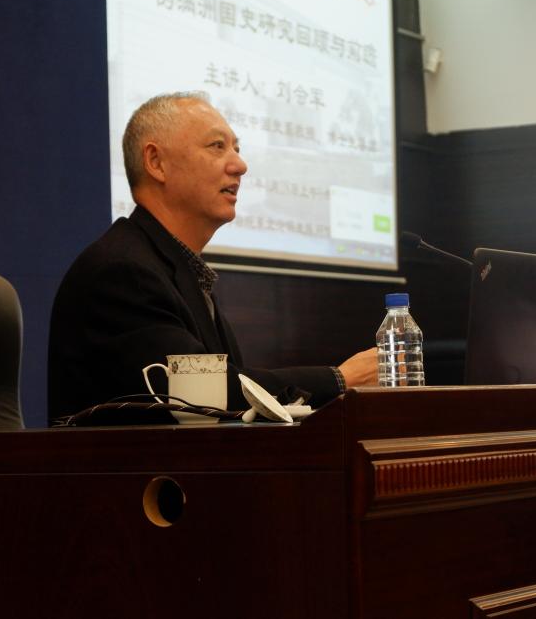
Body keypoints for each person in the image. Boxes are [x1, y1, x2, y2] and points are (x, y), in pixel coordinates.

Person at [48, 92, 377, 422]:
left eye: (237, 148)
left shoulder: (173, 269)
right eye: (217, 146)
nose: (240, 166)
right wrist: (340, 379)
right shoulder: (122, 272)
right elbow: (203, 398)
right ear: (156, 162)